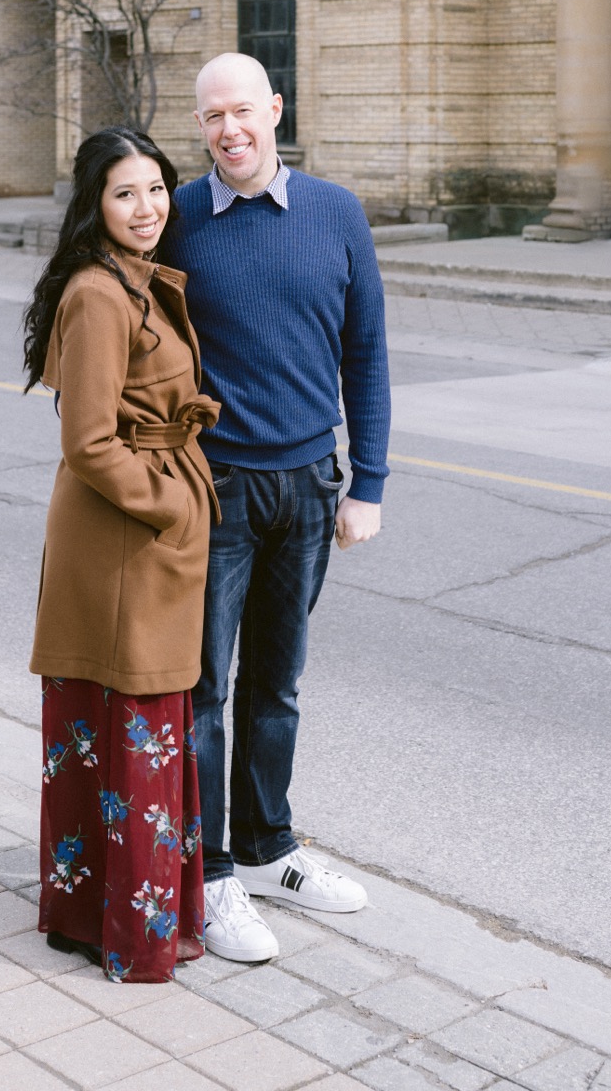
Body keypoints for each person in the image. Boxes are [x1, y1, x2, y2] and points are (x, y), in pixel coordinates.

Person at [160, 52, 390, 963]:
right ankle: (209, 873)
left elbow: (365, 354)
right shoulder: (175, 217)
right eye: (213, 117)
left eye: (244, 111)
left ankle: (267, 851)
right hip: (213, 491)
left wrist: (367, 482)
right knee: (206, 688)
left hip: (308, 488)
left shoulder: (335, 213)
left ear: (276, 110)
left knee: (276, 686)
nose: (230, 131)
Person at [24, 126, 221, 982]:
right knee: (131, 728)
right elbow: (89, 442)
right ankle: (128, 935)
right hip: (123, 538)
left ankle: (91, 915)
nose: (146, 209)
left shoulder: (132, 280)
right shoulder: (101, 296)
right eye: (124, 194)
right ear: (94, 206)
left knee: (117, 733)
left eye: (155, 190)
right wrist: (172, 505)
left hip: (133, 534)